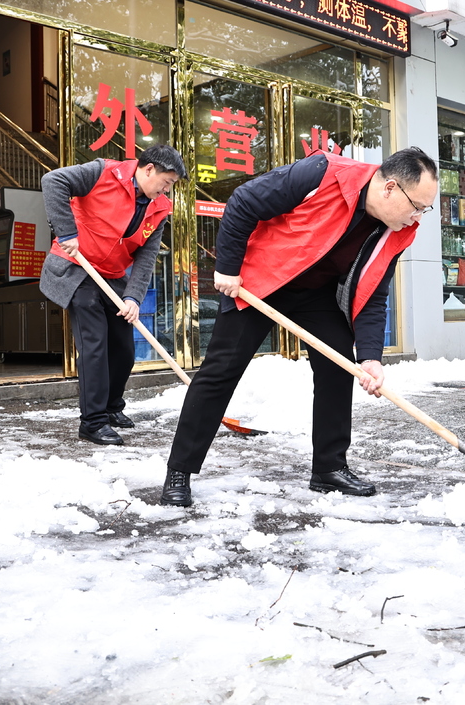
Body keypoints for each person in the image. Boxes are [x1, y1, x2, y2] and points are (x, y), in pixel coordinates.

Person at [160, 147, 438, 506]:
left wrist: (370, 357)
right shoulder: (323, 172)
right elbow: (244, 201)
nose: (418, 216)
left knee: (339, 364)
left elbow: (373, 292)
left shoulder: (398, 230)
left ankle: (328, 468)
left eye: (424, 210)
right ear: (390, 188)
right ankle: (180, 469)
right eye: (417, 205)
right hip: (261, 280)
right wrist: (228, 268)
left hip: (314, 293)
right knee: (220, 371)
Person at [40, 144, 187, 445]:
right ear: (149, 170)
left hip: (112, 277)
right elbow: (53, 181)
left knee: (123, 348)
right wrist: (67, 232)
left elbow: (146, 259)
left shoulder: (159, 209)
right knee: (95, 344)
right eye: (167, 183)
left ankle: (110, 408)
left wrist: (133, 297)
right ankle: (92, 422)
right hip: (76, 268)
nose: (166, 190)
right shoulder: (103, 172)